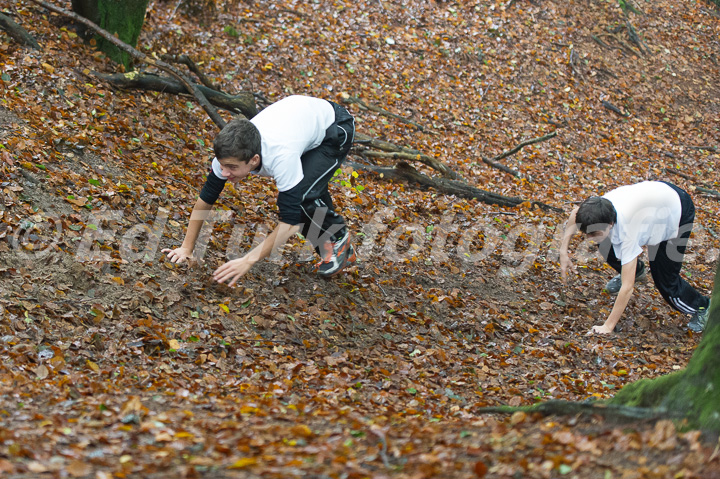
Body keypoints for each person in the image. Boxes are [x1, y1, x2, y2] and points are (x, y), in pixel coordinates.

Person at [162, 95, 357, 286]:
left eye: (232, 168)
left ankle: (339, 240)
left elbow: (289, 223)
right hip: (302, 124)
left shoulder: (280, 156)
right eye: (222, 166)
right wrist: (186, 248)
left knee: (302, 197)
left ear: (254, 160)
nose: (225, 173)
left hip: (335, 127)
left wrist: (247, 260)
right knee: (303, 193)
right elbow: (206, 199)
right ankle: (332, 250)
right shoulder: (228, 155)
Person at [560, 181, 711, 334]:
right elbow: (575, 213)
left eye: (593, 234)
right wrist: (563, 251)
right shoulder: (595, 210)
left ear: (611, 223)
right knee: (604, 242)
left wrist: (607, 326)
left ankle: (703, 308)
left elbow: (627, 288)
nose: (589, 238)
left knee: (665, 279)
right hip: (654, 201)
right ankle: (637, 271)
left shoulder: (627, 232)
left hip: (676, 211)